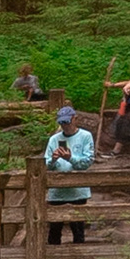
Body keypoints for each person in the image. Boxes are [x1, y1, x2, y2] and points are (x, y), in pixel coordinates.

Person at [45, 103, 94, 243]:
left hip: (77, 191)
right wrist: (53, 160)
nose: (65, 125)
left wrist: (70, 158)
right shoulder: (54, 139)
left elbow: (87, 161)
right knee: (54, 229)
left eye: (67, 122)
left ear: (74, 119)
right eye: (62, 123)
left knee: (78, 228)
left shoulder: (85, 136)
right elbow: (45, 165)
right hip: (57, 192)